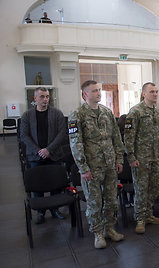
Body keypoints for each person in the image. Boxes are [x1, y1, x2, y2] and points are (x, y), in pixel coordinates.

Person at [69, 80, 125, 249]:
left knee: (111, 201)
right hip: (92, 167)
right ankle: (98, 233)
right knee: (94, 202)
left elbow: (116, 138)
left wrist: (119, 159)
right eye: (94, 91)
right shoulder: (77, 114)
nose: (98, 93)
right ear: (85, 94)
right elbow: (75, 143)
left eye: (99, 90)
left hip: (109, 165)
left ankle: (109, 228)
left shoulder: (107, 113)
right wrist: (83, 168)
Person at [20, 87, 68, 224]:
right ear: (35, 98)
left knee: (55, 183)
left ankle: (55, 209)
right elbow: (24, 135)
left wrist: (48, 149)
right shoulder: (27, 115)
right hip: (35, 156)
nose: (45, 99)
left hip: (54, 154)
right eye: (42, 96)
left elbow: (62, 134)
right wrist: (38, 151)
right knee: (38, 184)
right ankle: (41, 212)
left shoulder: (57, 113)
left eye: (47, 96)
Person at [124, 82, 159, 234]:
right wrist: (131, 157)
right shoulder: (135, 112)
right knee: (141, 189)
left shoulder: (158, 112)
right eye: (152, 91)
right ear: (143, 94)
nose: (155, 94)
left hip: (155, 156)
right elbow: (128, 137)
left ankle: (149, 214)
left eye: (156, 91)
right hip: (141, 158)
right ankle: (140, 218)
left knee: (154, 187)